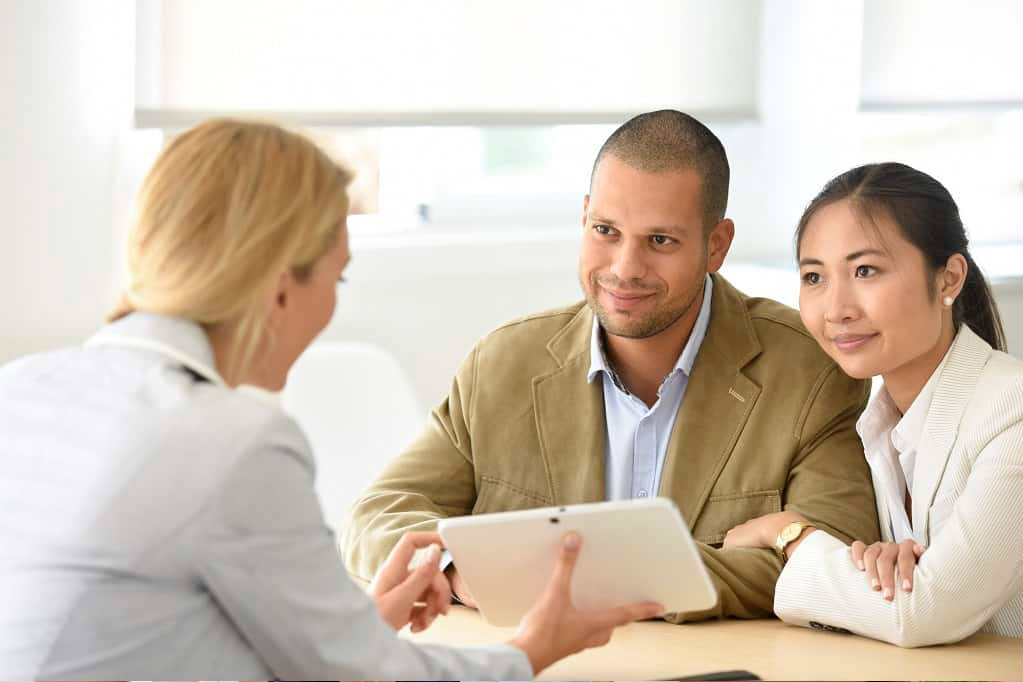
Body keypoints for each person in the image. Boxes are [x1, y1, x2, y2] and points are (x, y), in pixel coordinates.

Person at [0, 119, 664, 680]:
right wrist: (531, 650)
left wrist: (350, 626)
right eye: (336, 276)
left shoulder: (22, 387)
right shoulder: (230, 440)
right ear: (280, 287)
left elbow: (154, 637)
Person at [342, 109, 881, 621]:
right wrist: (457, 568)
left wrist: (563, 579)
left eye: (661, 241)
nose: (625, 268)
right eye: (605, 231)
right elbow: (380, 516)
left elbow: (835, 557)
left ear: (716, 245)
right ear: (584, 217)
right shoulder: (503, 364)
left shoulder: (809, 370)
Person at [723, 162, 1023, 645]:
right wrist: (882, 568)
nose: (837, 308)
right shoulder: (878, 420)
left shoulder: (1011, 412)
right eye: (814, 277)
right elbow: (907, 595)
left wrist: (789, 535)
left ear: (948, 279)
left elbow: (924, 611)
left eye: (865, 270)